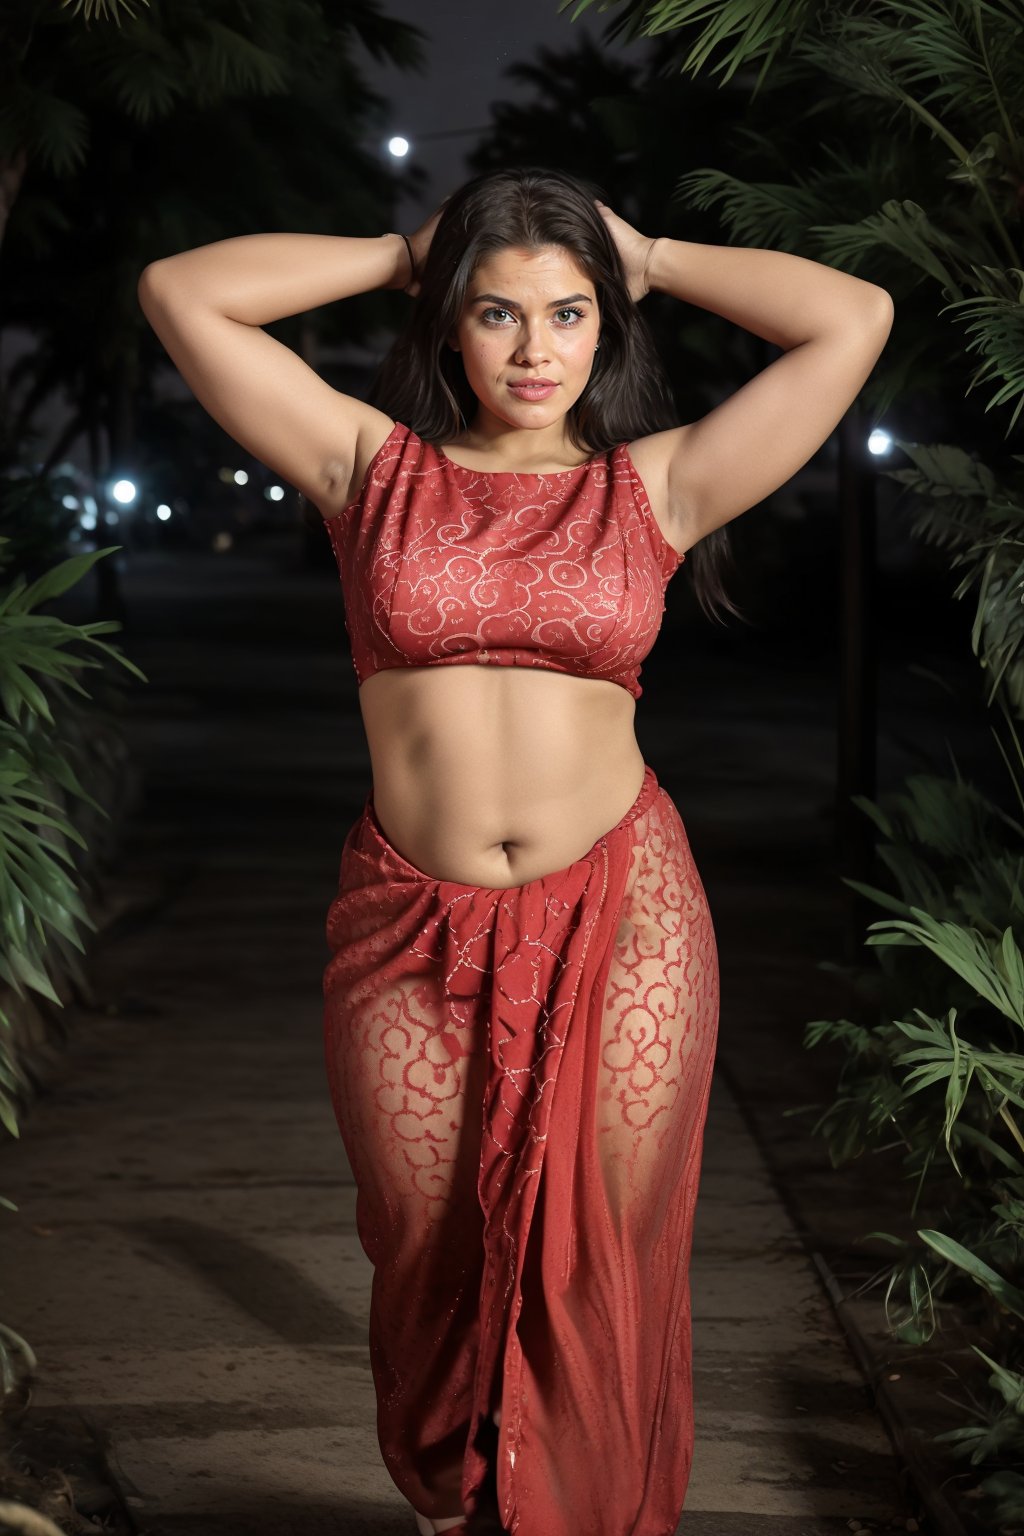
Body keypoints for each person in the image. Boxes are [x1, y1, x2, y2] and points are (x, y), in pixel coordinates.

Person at [137, 165, 894, 1536]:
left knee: (598, 1246)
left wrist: (647, 248)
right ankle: (451, 1501)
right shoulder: (368, 468)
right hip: (408, 922)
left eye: (569, 312)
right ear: (447, 327)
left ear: (610, 328)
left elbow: (855, 318)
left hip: (624, 904)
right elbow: (183, 292)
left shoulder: (657, 485)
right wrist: (394, 247)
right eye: (496, 313)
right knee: (424, 1234)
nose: (537, 349)